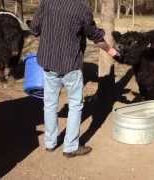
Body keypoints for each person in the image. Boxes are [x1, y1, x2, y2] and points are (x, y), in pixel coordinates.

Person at [29, 0, 119, 158]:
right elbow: (95, 36)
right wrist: (111, 51)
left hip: (49, 62)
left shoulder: (47, 2)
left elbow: (34, 28)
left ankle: (50, 143)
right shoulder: (82, 7)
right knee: (75, 105)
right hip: (71, 64)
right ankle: (70, 147)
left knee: (49, 103)